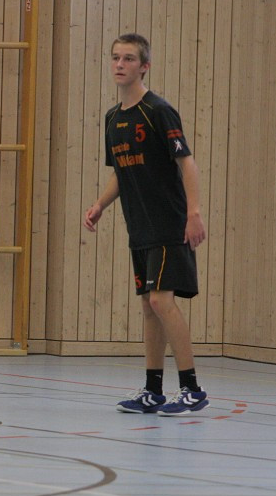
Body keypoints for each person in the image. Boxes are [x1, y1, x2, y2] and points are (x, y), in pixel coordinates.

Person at [83, 33, 208, 417]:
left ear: (144, 66)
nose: (120, 64)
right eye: (116, 58)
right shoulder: (112, 118)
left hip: (169, 221)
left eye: (129, 59)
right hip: (139, 227)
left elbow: (185, 161)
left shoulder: (159, 111)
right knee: (148, 307)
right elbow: (120, 171)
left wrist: (194, 212)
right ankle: (153, 391)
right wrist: (100, 204)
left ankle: (191, 389)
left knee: (161, 300)